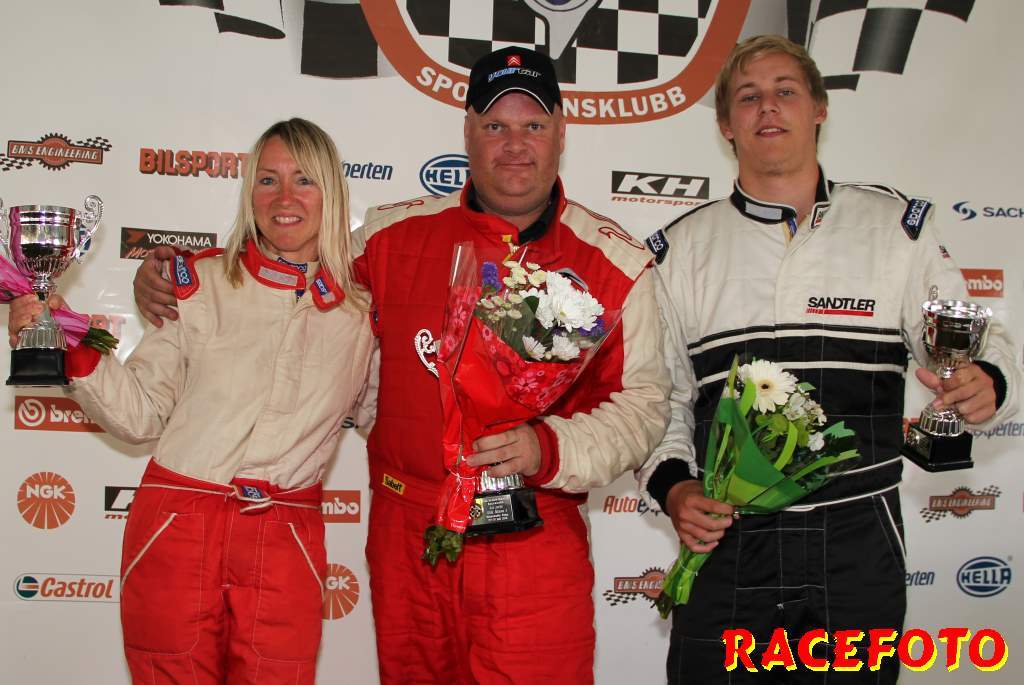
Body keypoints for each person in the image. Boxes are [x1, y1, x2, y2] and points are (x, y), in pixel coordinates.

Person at [132, 47, 670, 684]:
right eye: (495, 125)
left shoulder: (615, 261)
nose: (514, 145)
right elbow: (285, 268)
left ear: (561, 130)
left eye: (533, 124)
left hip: (534, 533)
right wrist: (175, 279)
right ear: (468, 132)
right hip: (408, 534)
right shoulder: (390, 236)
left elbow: (643, 407)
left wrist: (548, 448)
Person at [638, 35, 1020, 684]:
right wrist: (675, 488)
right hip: (730, 541)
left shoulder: (896, 229)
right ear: (725, 123)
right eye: (748, 96)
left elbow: (977, 346)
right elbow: (658, 401)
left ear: (819, 108)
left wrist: (988, 381)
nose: (768, 107)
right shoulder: (680, 251)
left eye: (785, 90)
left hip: (858, 540)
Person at [8, 118, 374, 684]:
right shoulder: (198, 282)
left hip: (285, 538)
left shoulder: (363, 312)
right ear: (249, 192)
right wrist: (69, 343)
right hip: (178, 526)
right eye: (267, 180)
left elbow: (388, 415)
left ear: (332, 191)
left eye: (304, 179)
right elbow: (140, 414)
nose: (284, 198)